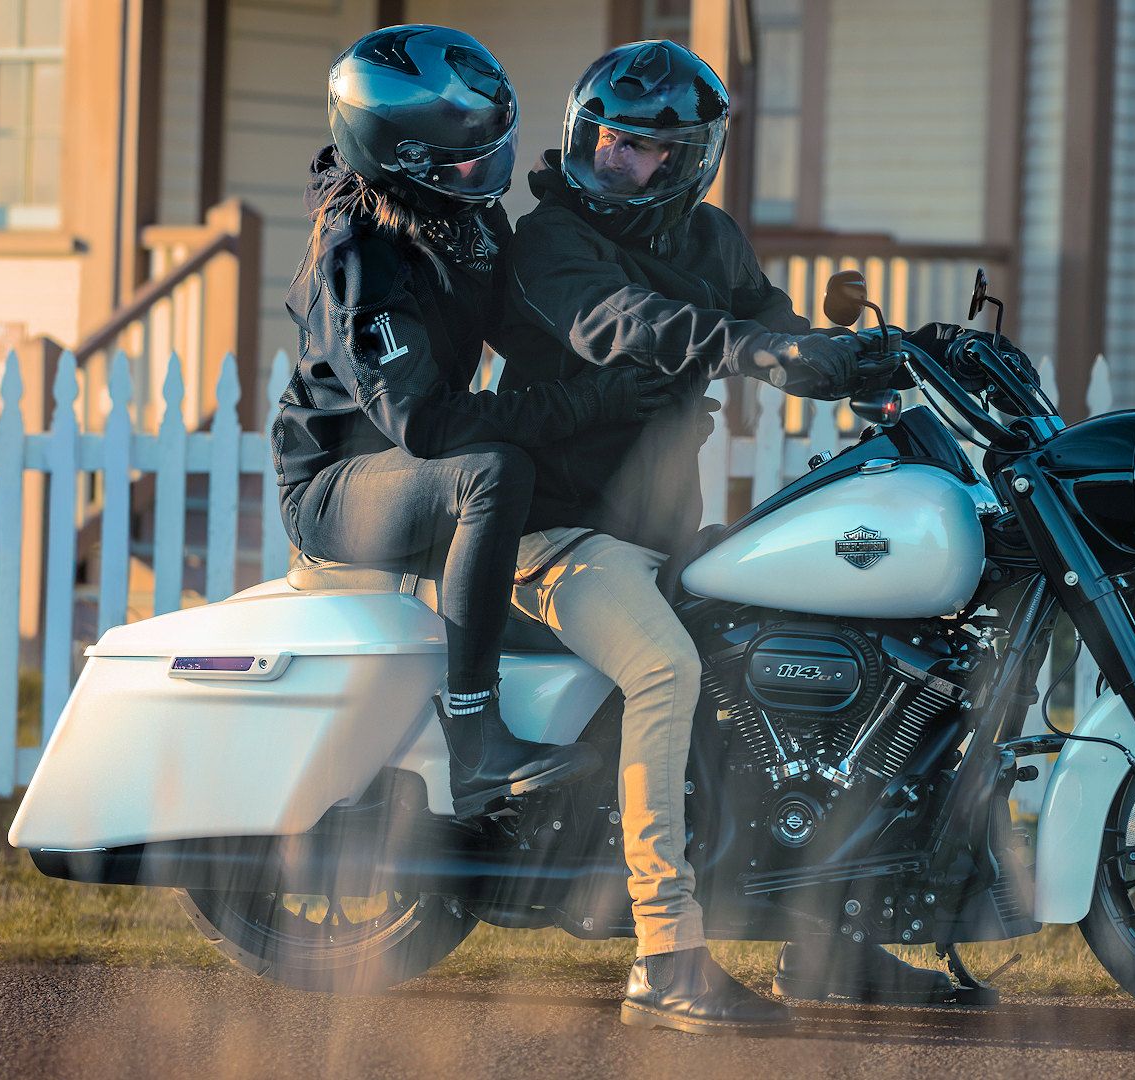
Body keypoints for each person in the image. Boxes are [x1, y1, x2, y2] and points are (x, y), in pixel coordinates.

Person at [495, 39, 951, 1035]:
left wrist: (865, 364)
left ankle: (824, 939)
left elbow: (770, 319)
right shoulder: (548, 243)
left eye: (642, 150)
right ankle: (666, 960)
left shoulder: (710, 238)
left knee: (820, 643)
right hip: (555, 536)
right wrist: (758, 346)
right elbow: (633, 324)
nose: (616, 164)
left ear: (688, 159)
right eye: (606, 143)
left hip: (659, 532)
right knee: (664, 670)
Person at [271, 25, 678, 819]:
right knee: (494, 472)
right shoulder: (357, 255)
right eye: (463, 157)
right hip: (334, 486)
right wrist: (588, 403)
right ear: (401, 156)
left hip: (412, 469)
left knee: (534, 462)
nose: (484, 170)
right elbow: (425, 424)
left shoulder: (467, 220)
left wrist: (644, 347)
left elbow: (528, 334)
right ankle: (474, 737)